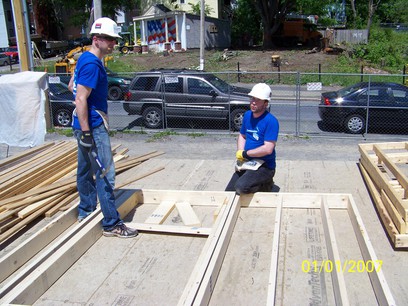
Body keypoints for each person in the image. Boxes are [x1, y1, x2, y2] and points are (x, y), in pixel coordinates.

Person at [68, 17, 138, 238]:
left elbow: (72, 86)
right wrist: (88, 132)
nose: (114, 44)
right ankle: (111, 224)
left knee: (85, 171)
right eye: (110, 39)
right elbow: (80, 99)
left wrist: (82, 128)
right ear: (96, 39)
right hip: (93, 127)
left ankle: (86, 211)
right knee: (106, 173)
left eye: (114, 40)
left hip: (82, 125)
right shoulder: (91, 63)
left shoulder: (83, 60)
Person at [225, 83, 279, 194]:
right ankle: (254, 182)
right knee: (229, 192)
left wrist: (246, 154)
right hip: (248, 163)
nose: (253, 102)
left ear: (265, 103)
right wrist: (240, 152)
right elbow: (242, 135)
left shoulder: (271, 121)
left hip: (265, 166)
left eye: (258, 100)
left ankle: (266, 184)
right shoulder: (247, 115)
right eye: (252, 98)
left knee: (241, 188)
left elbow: (268, 148)